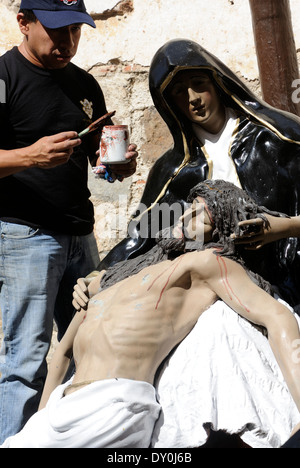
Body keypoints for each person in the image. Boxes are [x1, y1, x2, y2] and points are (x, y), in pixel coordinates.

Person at [2, 180, 299, 448]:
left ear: (219, 230)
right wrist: (39, 421)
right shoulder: (115, 277)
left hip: (113, 404)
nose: (183, 217)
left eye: (200, 215)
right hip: (59, 406)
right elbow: (63, 353)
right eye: (187, 209)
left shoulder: (205, 263)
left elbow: (276, 317)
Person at [0, 0, 138, 443]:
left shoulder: (85, 84)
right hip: (25, 235)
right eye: (56, 30)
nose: (68, 41)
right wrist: (29, 156)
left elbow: (104, 164)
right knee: (26, 359)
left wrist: (118, 165)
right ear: (23, 22)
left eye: (75, 30)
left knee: (91, 347)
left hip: (81, 235)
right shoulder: (4, 78)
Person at [96, 39, 300, 315]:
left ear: (217, 83)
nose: (192, 98)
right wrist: (95, 276)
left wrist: (282, 228)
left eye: (198, 83)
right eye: (179, 92)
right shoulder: (174, 170)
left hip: (286, 282)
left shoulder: (278, 137)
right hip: (209, 293)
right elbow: (140, 237)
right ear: (169, 104)